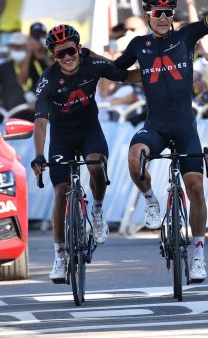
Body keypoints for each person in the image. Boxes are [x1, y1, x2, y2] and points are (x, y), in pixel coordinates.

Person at [114, 0, 208, 283]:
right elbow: (116, 72)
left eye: (167, 12)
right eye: (156, 13)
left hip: (184, 126)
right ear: (147, 15)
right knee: (135, 160)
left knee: (195, 187)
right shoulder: (138, 45)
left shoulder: (185, 36)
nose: (163, 17)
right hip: (156, 126)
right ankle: (150, 201)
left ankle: (198, 253)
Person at [30, 24, 129, 283]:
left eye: (71, 51)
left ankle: (96, 211)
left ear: (79, 48)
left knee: (96, 166)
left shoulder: (92, 65)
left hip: (89, 132)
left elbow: (123, 73)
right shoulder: (47, 80)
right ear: (53, 57)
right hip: (61, 139)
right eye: (60, 54)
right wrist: (39, 155)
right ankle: (59, 256)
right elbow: (40, 122)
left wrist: (96, 55)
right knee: (61, 191)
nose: (67, 57)